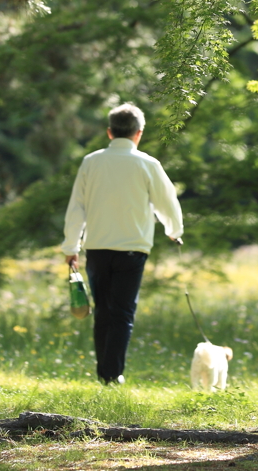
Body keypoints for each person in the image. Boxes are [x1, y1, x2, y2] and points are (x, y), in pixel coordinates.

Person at [61, 102, 183, 384]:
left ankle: (105, 373)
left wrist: (71, 247)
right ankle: (112, 374)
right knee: (123, 312)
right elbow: (168, 203)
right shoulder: (148, 164)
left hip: (98, 247)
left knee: (103, 310)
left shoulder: (91, 162)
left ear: (109, 132)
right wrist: (174, 231)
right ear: (139, 133)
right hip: (133, 248)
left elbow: (76, 207)